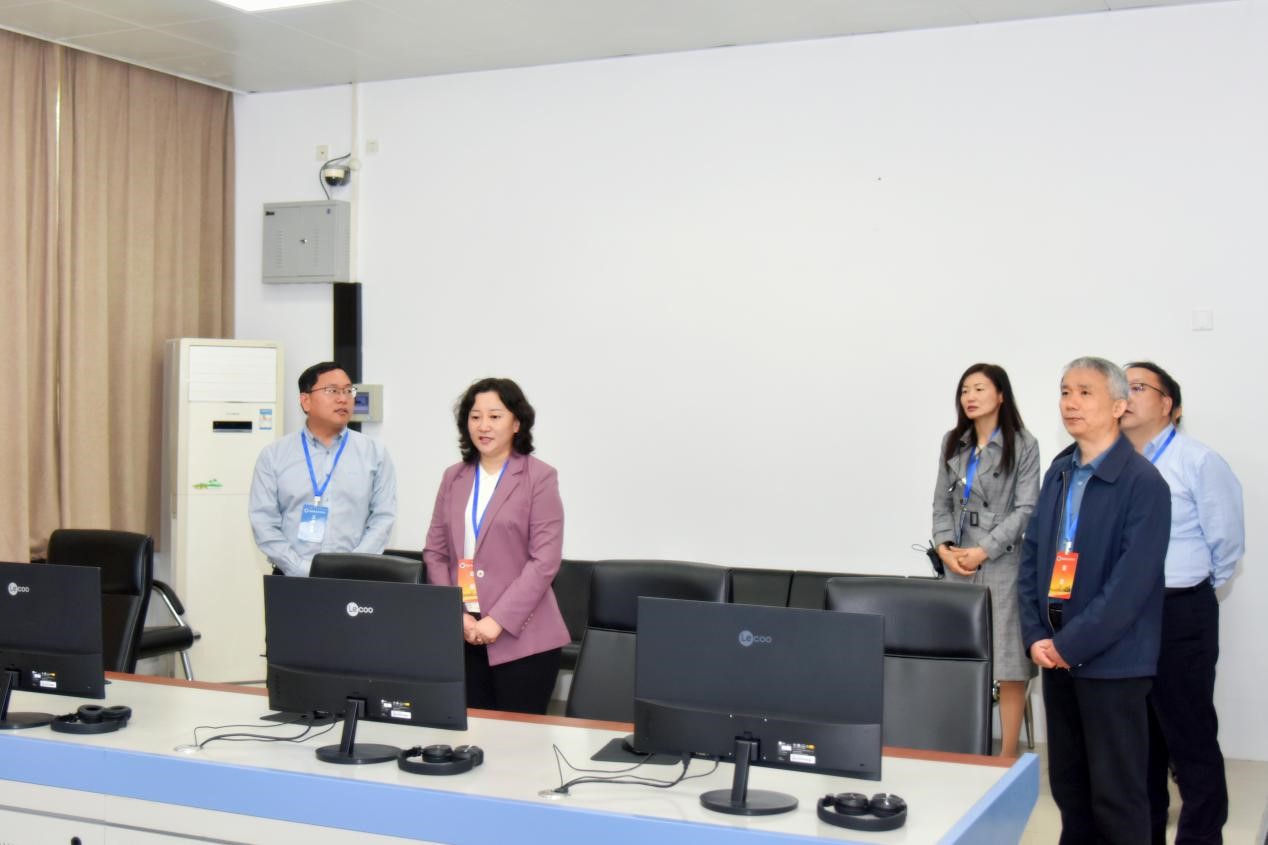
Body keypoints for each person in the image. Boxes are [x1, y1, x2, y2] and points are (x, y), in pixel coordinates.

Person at [1017, 356, 1171, 844]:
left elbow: (1130, 586)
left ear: (1119, 405)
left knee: (1117, 795)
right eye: (1065, 391)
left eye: (1085, 392)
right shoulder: (1060, 473)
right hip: (1056, 657)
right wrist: (1036, 635)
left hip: (1113, 664)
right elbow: (1032, 557)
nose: (1071, 402)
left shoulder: (1143, 483)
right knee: (1070, 787)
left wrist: (1069, 644)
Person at [1122, 361, 1243, 845]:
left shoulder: (1198, 461)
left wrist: (1188, 590)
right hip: (1126, 616)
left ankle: (1201, 838)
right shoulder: (1113, 464)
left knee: (1189, 738)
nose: (1126, 395)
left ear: (1167, 403)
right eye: (1122, 387)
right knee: (1141, 745)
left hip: (1180, 612)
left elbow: (1226, 544)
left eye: (1137, 387)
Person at [423, 377, 570, 714]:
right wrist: (455, 613)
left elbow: (544, 561)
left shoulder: (539, 477)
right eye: (475, 417)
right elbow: (436, 552)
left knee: (517, 741)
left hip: (523, 637)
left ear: (517, 423)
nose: (483, 426)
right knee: (466, 735)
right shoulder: (453, 477)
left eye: (494, 416)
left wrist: (497, 620)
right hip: (463, 631)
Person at [931, 363, 1040, 758]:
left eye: (979, 388)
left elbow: (1026, 509)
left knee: (1009, 662)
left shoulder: (1023, 444)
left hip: (1002, 561)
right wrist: (944, 547)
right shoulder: (953, 441)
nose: (970, 397)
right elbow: (940, 503)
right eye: (964, 390)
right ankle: (961, 749)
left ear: (1000, 395)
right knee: (958, 658)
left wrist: (984, 549)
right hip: (958, 561)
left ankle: (1007, 756)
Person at [248, 362, 396, 576]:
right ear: (306, 401)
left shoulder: (375, 453)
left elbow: (383, 517)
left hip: (356, 578)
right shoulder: (274, 455)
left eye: (348, 390)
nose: (343, 398)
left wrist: (354, 567)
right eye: (332, 390)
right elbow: (263, 521)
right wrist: (300, 568)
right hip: (291, 577)